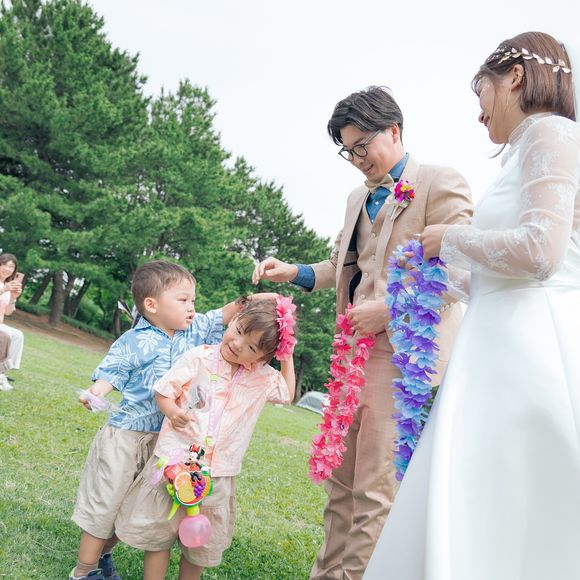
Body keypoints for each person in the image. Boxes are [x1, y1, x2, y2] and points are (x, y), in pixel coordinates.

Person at [365, 31, 580, 580]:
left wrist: (450, 240)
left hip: (531, 345)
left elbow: (541, 252)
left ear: (514, 77)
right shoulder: (521, 152)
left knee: (506, 495)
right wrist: (432, 277)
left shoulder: (552, 132)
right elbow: (499, 269)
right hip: (497, 337)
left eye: (480, 90)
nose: (478, 111)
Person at [252, 87, 474, 579]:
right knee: (341, 483)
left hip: (404, 359)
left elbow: (460, 271)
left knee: (375, 490)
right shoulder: (357, 197)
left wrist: (390, 311)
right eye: (347, 151)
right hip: (351, 356)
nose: (356, 160)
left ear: (393, 130)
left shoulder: (441, 182)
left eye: (361, 146)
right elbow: (341, 266)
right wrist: (292, 271)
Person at [69, 260, 274, 580]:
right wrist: (97, 391)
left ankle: (104, 555)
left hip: (165, 444)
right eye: (183, 300)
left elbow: (229, 312)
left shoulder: (195, 329)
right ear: (152, 305)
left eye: (193, 299)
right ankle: (84, 571)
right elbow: (113, 372)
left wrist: (267, 301)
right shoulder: (133, 341)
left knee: (133, 505)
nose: (192, 306)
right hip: (127, 435)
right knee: (107, 502)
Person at [113, 297, 296, 580]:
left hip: (217, 474)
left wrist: (287, 353)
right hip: (173, 464)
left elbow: (287, 394)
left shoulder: (262, 377)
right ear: (234, 321)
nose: (237, 344)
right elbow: (164, 391)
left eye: (251, 347)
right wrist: (173, 412)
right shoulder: (199, 357)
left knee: (198, 543)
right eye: (238, 330)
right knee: (158, 535)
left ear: (262, 358)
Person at [0, 252, 24, 389]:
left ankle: (4, 371)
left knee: (18, 335)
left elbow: (8, 312)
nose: (8, 269)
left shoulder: (8, 286)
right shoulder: (5, 287)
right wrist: (4, 289)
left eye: (11, 267)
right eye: (5, 265)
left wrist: (13, 297)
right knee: (7, 335)